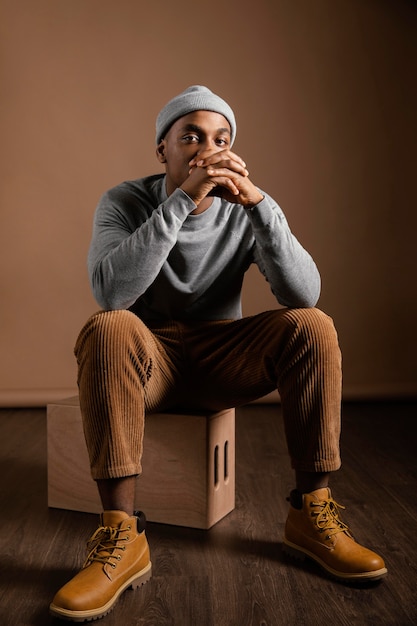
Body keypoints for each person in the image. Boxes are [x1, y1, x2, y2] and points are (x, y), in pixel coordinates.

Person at [50, 85, 387, 622]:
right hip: (148, 355)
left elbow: (304, 294)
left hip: (223, 355)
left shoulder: (244, 208)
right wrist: (183, 200)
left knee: (313, 325)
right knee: (108, 326)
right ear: (163, 148)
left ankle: (312, 513)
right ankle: (121, 536)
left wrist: (259, 205)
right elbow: (113, 292)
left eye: (220, 139)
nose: (207, 150)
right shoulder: (125, 200)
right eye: (191, 136)